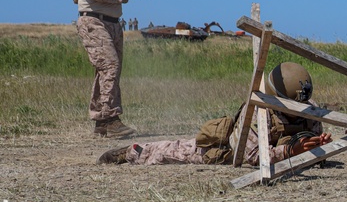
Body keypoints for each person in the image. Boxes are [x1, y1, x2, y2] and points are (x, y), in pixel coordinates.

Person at [97, 62, 332, 166]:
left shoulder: (308, 105)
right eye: (291, 106)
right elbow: (253, 157)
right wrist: (291, 151)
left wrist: (316, 148)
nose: (297, 111)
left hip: (275, 149)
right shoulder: (259, 112)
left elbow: (306, 141)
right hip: (229, 148)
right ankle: (130, 152)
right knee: (172, 153)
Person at [73, 0, 150, 139]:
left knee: (109, 71)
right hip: (93, 21)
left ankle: (101, 122)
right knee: (110, 65)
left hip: (114, 23)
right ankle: (110, 120)